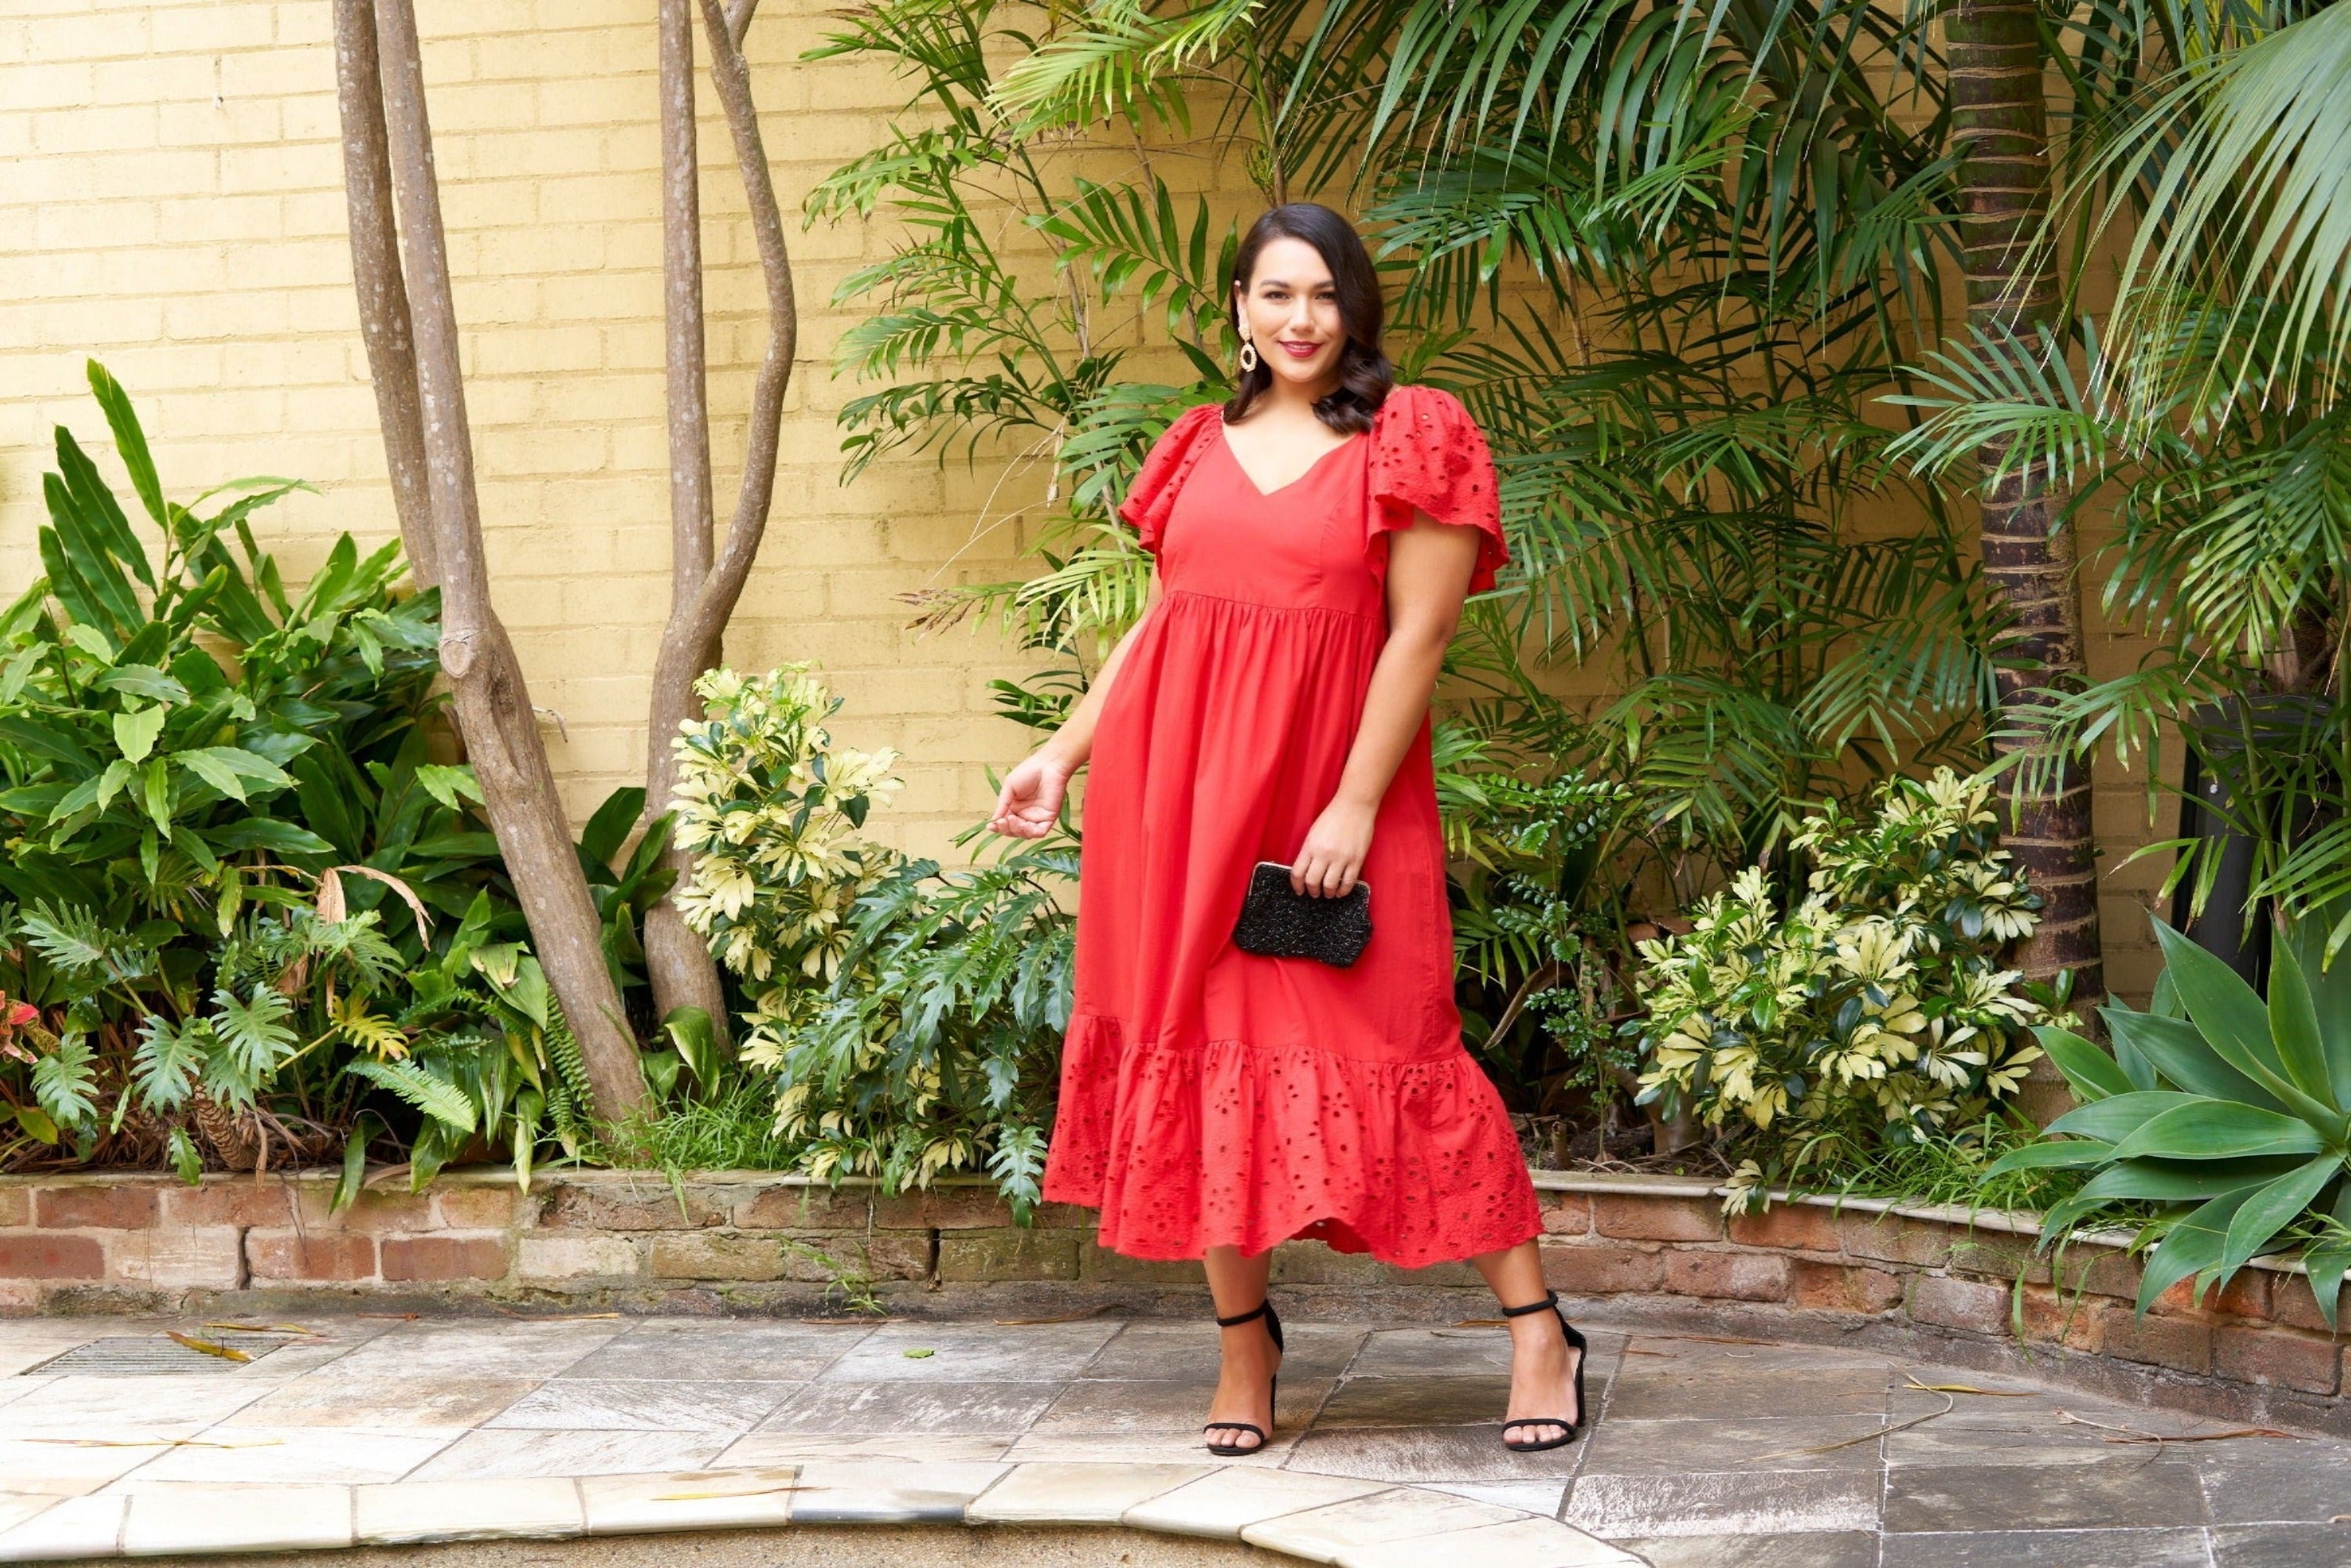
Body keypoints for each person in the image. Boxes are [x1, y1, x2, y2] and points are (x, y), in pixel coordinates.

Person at [987, 202, 1587, 1458]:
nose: (1300, 317)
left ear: (1353, 307)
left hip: (1327, 801)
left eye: (1322, 294)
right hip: (1176, 804)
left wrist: (1356, 803)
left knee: (1399, 1044)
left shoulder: (1406, 436)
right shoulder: (1195, 445)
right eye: (1275, 294)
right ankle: (1243, 1344)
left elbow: (1418, 635)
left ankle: (1537, 1328)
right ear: (1239, 311)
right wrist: (1057, 752)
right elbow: (1165, 627)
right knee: (1200, 1056)